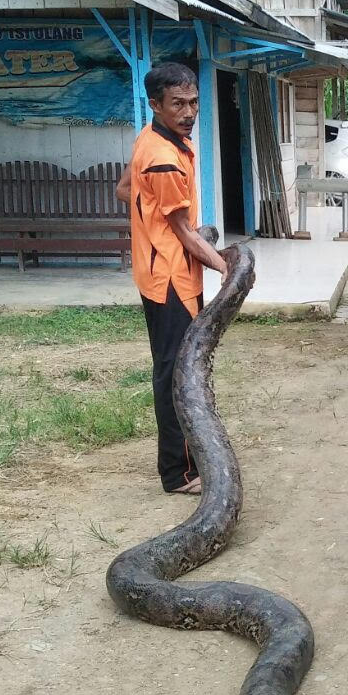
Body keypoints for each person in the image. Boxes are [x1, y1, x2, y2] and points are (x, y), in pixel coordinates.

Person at [115, 62, 228, 495]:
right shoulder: (163, 158)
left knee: (176, 365)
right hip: (170, 278)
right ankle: (178, 472)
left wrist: (152, 212)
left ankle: (187, 460)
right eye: (177, 104)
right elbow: (183, 232)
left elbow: (124, 189)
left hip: (159, 271)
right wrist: (227, 268)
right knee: (177, 372)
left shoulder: (152, 138)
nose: (188, 112)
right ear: (155, 104)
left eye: (193, 102)